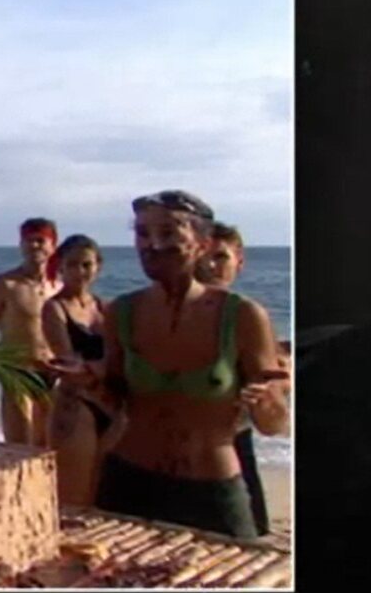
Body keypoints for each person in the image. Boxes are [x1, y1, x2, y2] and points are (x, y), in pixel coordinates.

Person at [53, 192, 288, 539]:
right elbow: (118, 400)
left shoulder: (240, 316)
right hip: (129, 481)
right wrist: (88, 383)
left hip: (211, 490)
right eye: (142, 233)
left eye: (168, 233)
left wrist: (267, 404)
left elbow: (275, 424)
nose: (152, 244)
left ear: (202, 244)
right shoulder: (122, 312)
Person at [196, 222, 270, 535]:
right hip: (174, 447)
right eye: (205, 257)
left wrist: (269, 392)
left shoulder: (249, 318)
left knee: (248, 536)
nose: (211, 265)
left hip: (234, 440)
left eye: (221, 257)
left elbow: (272, 410)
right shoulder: (166, 314)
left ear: (239, 262)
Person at [41, 235, 121, 505]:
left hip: (111, 404)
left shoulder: (104, 308)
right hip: (77, 404)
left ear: (98, 266)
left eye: (86, 264)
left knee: (103, 494)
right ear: (60, 268)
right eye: (72, 265)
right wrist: (100, 373)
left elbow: (120, 356)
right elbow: (68, 364)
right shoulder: (54, 308)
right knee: (73, 498)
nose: (80, 272)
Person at [0, 218, 61, 446]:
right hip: (18, 375)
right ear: (21, 244)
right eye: (28, 241)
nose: (34, 246)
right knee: (20, 450)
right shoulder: (6, 284)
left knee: (49, 451)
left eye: (40, 241)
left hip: (54, 375)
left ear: (53, 245)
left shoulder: (59, 288)